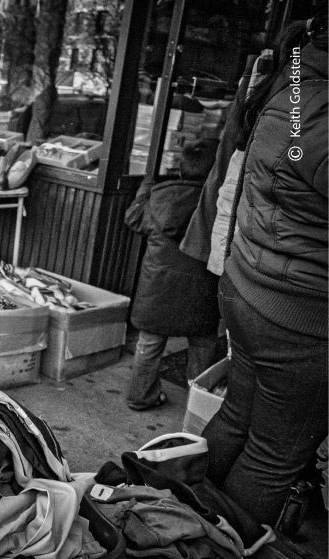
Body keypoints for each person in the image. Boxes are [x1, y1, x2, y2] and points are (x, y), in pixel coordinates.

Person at [202, 10, 327, 526]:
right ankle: (214, 542)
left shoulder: (293, 90)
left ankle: (180, 517)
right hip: (299, 316)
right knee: (272, 457)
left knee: (237, 418)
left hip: (251, 288)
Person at [124, 138, 221, 411]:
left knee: (149, 343)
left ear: (181, 167)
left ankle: (141, 397)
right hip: (202, 291)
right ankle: (198, 407)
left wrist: (146, 187)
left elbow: (133, 218)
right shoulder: (217, 203)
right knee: (202, 346)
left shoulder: (160, 196)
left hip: (158, 289)